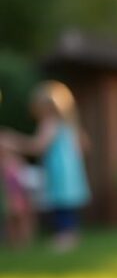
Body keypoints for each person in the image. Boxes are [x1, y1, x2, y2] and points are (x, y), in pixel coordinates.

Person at [0, 81, 90, 252]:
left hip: (59, 171)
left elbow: (38, 146)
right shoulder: (70, 124)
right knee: (67, 203)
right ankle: (69, 235)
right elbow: (84, 145)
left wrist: (13, 141)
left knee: (61, 202)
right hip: (71, 170)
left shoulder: (50, 122)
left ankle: (65, 237)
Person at [0, 140, 35, 247]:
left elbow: (25, 178)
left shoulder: (17, 161)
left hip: (19, 194)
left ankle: (25, 240)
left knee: (22, 218)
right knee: (10, 219)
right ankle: (13, 241)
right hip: (7, 196)